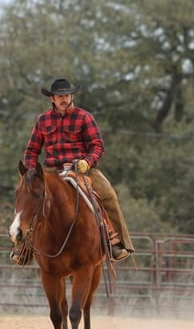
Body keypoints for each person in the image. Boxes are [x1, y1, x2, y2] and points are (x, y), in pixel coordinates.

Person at [23, 77, 134, 261]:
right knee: (26, 197)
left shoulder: (84, 117)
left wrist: (88, 162)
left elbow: (97, 145)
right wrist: (32, 172)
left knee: (108, 195)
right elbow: (32, 150)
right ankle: (23, 247)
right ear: (52, 99)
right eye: (59, 96)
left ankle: (117, 242)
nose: (63, 98)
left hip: (82, 169)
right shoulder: (42, 120)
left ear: (71, 96)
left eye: (66, 95)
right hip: (51, 171)